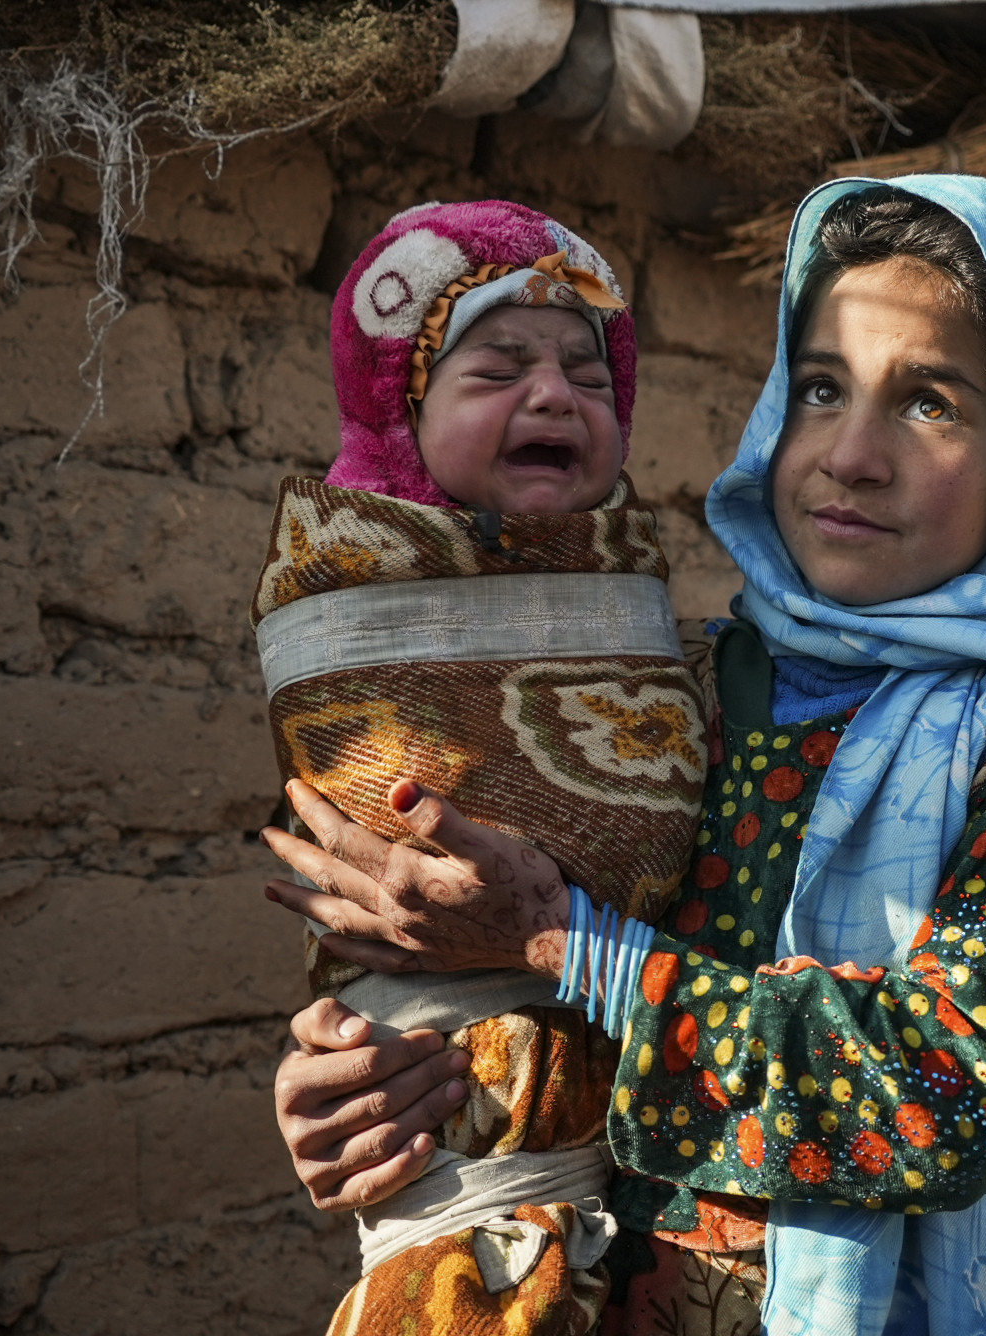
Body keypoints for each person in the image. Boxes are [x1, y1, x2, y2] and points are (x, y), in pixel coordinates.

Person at [267, 176, 986, 1336]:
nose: (849, 455)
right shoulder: (682, 683)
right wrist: (368, 1084)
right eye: (821, 389)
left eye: (928, 404)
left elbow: (945, 1095)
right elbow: (498, 990)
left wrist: (563, 943)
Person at [254, 198, 710, 1336]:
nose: (554, 395)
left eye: (589, 378)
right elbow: (388, 868)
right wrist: (332, 1060)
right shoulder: (362, 606)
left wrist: (549, 934)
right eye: (496, 367)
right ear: (399, 419)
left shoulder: (683, 655)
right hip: (461, 1175)